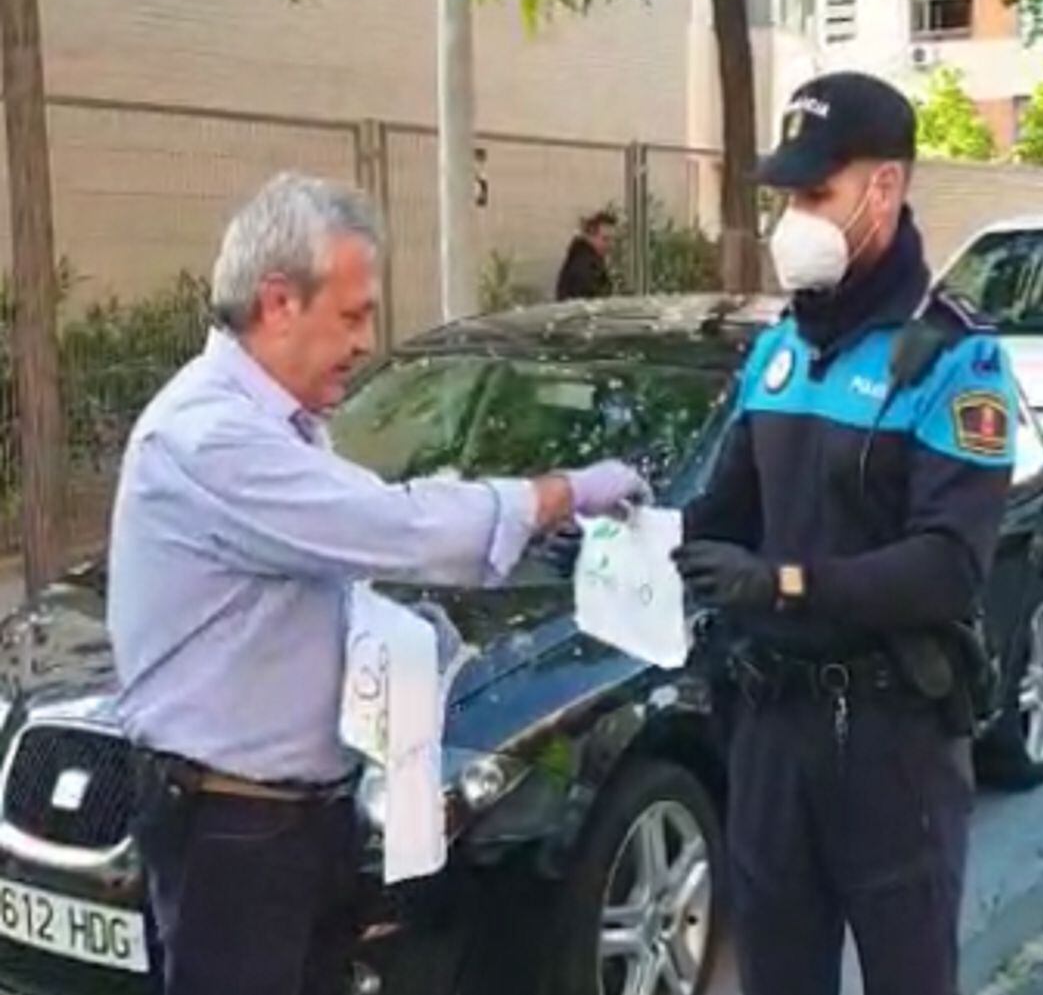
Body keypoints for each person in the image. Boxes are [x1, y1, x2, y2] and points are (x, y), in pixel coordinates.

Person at [109, 173, 648, 995]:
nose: (367, 341)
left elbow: (322, 572)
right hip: (234, 833)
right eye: (353, 314)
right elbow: (388, 526)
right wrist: (560, 491)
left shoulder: (282, 425)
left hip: (294, 818)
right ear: (279, 302)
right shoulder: (208, 437)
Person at [674, 73, 1017, 995]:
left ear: (886, 188)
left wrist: (784, 584)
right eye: (788, 195)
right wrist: (613, 542)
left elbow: (949, 565)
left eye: (817, 193)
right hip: (772, 731)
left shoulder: (957, 357)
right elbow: (721, 517)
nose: (796, 217)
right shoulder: (778, 349)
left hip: (890, 740)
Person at [556, 209, 618, 301]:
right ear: (590, 236)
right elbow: (595, 302)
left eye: (613, 239)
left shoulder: (581, 258)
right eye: (605, 239)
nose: (611, 245)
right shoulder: (585, 267)